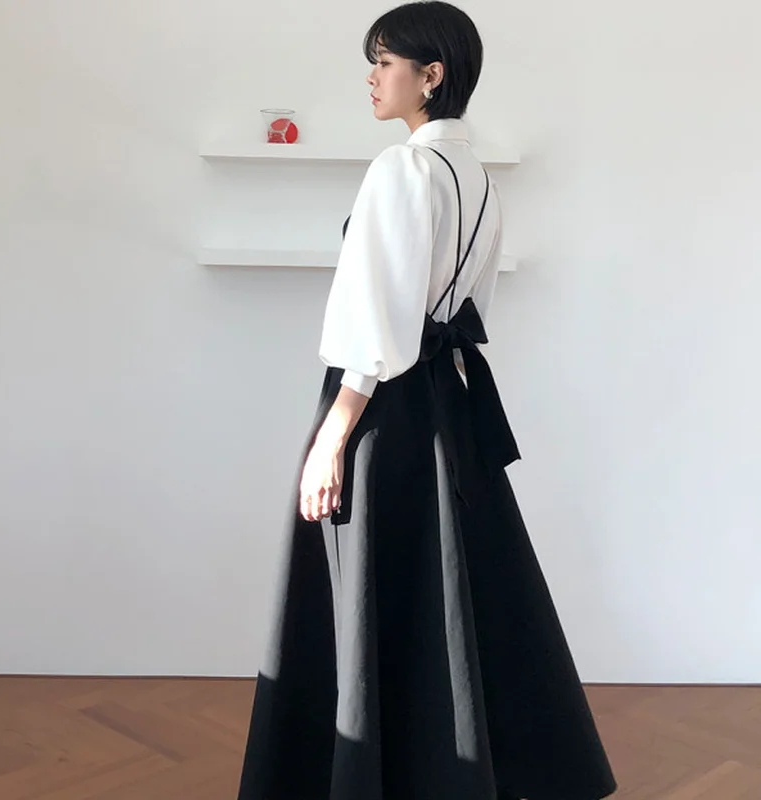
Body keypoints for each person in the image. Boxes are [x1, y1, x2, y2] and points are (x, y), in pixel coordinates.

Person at [238, 3, 618, 798]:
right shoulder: (476, 178)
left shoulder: (402, 169)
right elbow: (467, 307)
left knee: (366, 588)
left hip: (381, 406)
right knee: (439, 588)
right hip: (447, 401)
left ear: (431, 75)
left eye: (384, 62)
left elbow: (376, 320)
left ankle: (360, 775)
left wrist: (333, 437)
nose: (372, 78)